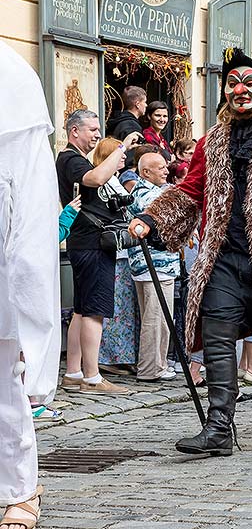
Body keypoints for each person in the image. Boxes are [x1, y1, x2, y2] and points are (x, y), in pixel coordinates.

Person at [128, 48, 252, 456]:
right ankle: (219, 425)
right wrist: (152, 219)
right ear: (224, 92)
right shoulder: (212, 141)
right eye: (233, 83)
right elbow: (191, 190)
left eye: (249, 82)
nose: (240, 89)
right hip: (223, 257)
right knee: (218, 334)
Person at [0, 41, 61, 529]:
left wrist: (35, 325)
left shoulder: (12, 79)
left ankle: (20, 489)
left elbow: (35, 216)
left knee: (5, 385)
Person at [56, 111, 142, 396]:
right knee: (94, 312)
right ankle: (93, 378)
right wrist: (121, 147)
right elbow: (94, 178)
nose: (96, 135)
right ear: (74, 132)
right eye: (91, 129)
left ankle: (73, 373)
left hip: (86, 243)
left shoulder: (72, 157)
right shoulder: (70, 159)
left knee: (81, 311)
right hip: (91, 243)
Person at [127, 152, 179, 381]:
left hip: (160, 264)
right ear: (146, 172)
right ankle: (150, 368)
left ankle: (159, 363)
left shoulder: (158, 191)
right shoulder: (145, 193)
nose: (166, 171)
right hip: (154, 264)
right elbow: (167, 217)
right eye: (160, 168)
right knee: (155, 318)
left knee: (161, 317)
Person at [91, 138, 140, 377]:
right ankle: (108, 356)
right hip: (113, 248)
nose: (124, 156)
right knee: (114, 308)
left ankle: (122, 355)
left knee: (123, 308)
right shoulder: (105, 182)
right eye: (118, 153)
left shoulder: (115, 181)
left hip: (123, 250)